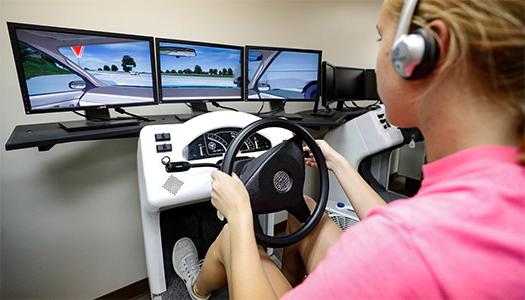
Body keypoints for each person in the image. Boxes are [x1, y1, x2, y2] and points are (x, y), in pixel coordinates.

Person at [172, 0, 525, 298]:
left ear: (423, 53)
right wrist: (337, 162)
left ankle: (195, 289)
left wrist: (239, 212)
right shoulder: (496, 193)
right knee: (307, 207)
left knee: (237, 234)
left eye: (380, 37)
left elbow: (398, 238)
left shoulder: (399, 243)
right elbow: (395, 224)